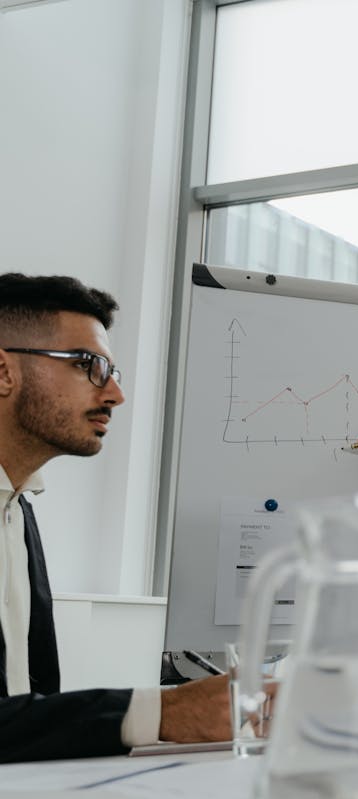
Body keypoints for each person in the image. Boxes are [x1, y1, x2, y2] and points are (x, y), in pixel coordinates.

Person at [0, 272, 232, 762]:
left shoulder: (16, 511)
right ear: (4, 372)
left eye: (113, 373)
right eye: (89, 365)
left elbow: (20, 713)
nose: (114, 395)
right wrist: (161, 714)